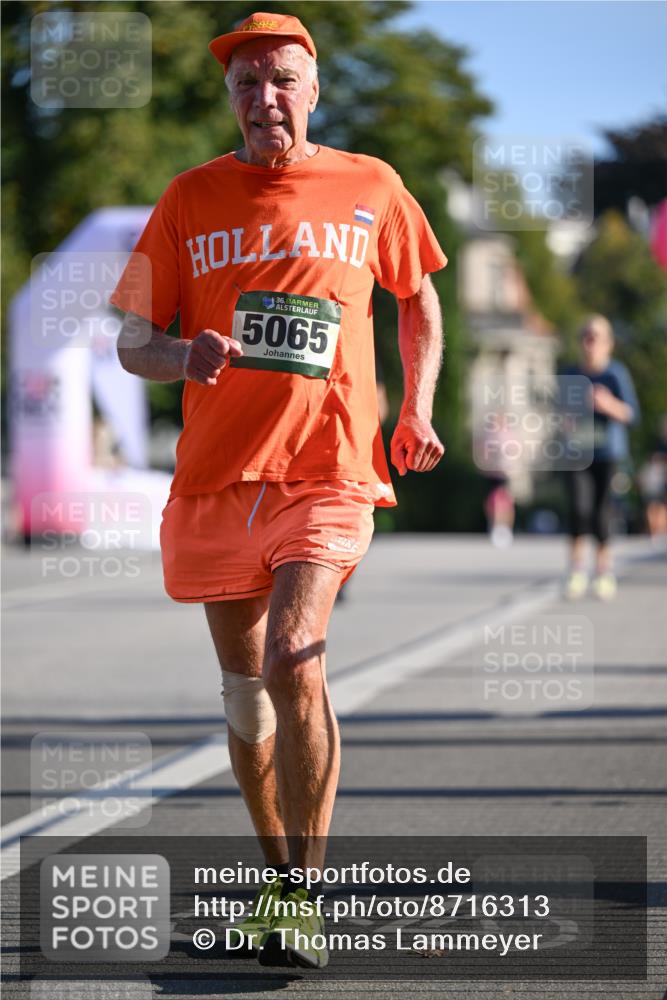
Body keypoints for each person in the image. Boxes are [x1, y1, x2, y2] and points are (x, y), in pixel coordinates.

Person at [111, 11, 447, 969]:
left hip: (329, 469)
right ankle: (276, 881)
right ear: (231, 97)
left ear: (313, 90)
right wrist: (185, 352)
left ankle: (306, 895)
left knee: (297, 659)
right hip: (219, 481)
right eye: (249, 83)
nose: (267, 98)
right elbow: (132, 340)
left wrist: (415, 408)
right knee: (244, 696)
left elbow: (416, 293)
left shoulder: (369, 185)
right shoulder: (187, 198)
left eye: (284, 80)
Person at [562, 315, 639, 600]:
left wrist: (607, 404)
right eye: (586, 336)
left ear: (608, 344)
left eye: (596, 337)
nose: (590, 342)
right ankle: (576, 571)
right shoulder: (570, 374)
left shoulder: (615, 374)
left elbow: (632, 414)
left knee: (601, 512)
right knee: (578, 508)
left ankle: (603, 572)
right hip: (576, 452)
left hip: (608, 452)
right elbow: (558, 414)